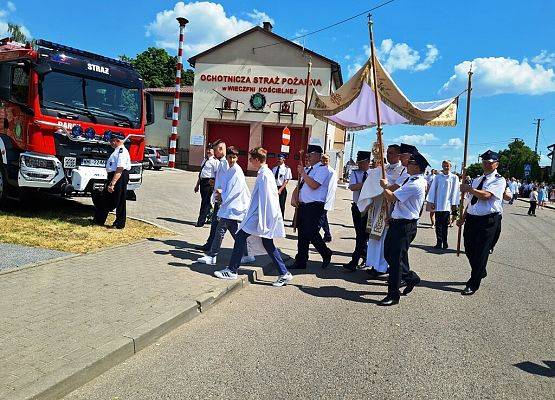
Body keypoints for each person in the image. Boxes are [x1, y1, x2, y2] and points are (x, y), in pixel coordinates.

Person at [214, 147, 292, 287]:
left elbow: (268, 199)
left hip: (259, 216)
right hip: (259, 215)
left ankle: (232, 270)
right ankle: (284, 273)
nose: (249, 161)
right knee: (267, 243)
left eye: (251, 159)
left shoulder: (264, 175)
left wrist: (266, 220)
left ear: (257, 160)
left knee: (241, 237)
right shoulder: (264, 173)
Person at [377, 150, 429, 306]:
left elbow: (393, 197)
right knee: (389, 255)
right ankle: (411, 277)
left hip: (405, 226)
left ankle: (393, 295)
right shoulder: (410, 179)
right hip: (397, 222)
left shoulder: (416, 183)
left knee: (395, 261)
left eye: (411, 163)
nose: (408, 164)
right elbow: (399, 202)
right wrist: (392, 215)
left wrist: (384, 187)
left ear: (418, 167)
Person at [457, 150, 506, 295]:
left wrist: (469, 189)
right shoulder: (478, 179)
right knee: (469, 248)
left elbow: (486, 196)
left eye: (489, 163)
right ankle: (480, 270)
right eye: (484, 162)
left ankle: (473, 283)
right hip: (472, 219)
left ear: (496, 164)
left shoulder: (499, 180)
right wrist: (463, 217)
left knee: (481, 252)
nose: (486, 165)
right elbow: (471, 203)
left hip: (488, 220)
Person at [197, 147, 250, 265]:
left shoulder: (237, 170)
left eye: (234, 157)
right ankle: (247, 254)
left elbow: (236, 190)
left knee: (220, 230)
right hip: (229, 206)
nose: (232, 160)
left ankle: (212, 256)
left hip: (232, 205)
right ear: (227, 157)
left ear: (237, 158)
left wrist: (222, 196)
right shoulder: (230, 169)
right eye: (230, 157)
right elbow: (226, 185)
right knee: (236, 233)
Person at [290, 144, 333, 269]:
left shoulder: (322, 169)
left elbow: (314, 185)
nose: (308, 156)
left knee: (311, 232)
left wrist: (303, 173)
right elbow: (301, 185)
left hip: (315, 206)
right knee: (302, 234)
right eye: (307, 154)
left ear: (319, 155)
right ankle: (301, 260)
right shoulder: (309, 169)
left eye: (311, 154)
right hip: (303, 206)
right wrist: (295, 197)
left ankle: (325, 252)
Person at [93, 132, 131, 229]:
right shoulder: (117, 150)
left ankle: (119, 223)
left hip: (119, 176)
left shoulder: (122, 151)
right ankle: (99, 220)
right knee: (106, 198)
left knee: (119, 200)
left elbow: (120, 169)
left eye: (111, 140)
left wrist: (112, 183)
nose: (110, 142)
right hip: (114, 176)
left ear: (116, 140)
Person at [196, 140, 228, 251]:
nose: (213, 152)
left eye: (215, 150)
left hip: (222, 199)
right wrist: (214, 184)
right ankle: (210, 246)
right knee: (219, 225)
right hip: (218, 197)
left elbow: (227, 182)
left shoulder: (224, 164)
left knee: (218, 225)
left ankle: (212, 248)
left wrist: (221, 192)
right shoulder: (221, 162)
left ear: (220, 149)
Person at [343, 151, 371, 271]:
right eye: (358, 162)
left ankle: (356, 260)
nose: (360, 165)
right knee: (360, 234)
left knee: (364, 235)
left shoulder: (373, 174)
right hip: (357, 207)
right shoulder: (355, 173)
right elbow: (352, 187)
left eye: (362, 163)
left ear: (368, 162)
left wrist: (365, 184)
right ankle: (363, 256)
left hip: (369, 208)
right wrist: (367, 184)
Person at [426, 160, 459, 249]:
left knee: (445, 225)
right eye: (444, 166)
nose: (445, 167)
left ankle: (445, 242)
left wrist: (454, 204)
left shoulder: (454, 177)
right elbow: (433, 189)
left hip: (447, 205)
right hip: (438, 204)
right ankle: (438, 242)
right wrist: (432, 201)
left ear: (450, 166)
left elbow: (455, 191)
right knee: (438, 224)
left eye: (447, 166)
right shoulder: (437, 177)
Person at [194, 147, 219, 227]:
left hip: (209, 182)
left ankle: (200, 222)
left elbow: (217, 174)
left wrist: (215, 184)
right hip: (202, 182)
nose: (208, 151)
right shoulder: (205, 160)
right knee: (206, 201)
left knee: (204, 202)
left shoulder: (215, 161)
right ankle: (210, 216)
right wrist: (197, 185)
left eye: (210, 150)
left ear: (214, 152)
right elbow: (201, 173)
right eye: (207, 150)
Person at [318, 154, 337, 242]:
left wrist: (328, 200)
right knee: (323, 217)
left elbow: (332, 187)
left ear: (329, 161)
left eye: (326, 160)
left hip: (325, 198)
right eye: (323, 160)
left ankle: (314, 235)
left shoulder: (331, 171)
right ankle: (327, 235)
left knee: (320, 218)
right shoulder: (319, 169)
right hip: (318, 198)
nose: (324, 162)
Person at [271, 153, 292, 218]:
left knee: (281, 205)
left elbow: (286, 181)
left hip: (281, 189)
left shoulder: (287, 169)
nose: (278, 160)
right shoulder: (274, 168)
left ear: (284, 159)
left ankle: (280, 219)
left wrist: (280, 189)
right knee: (273, 205)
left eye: (280, 159)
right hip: (274, 188)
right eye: (278, 158)